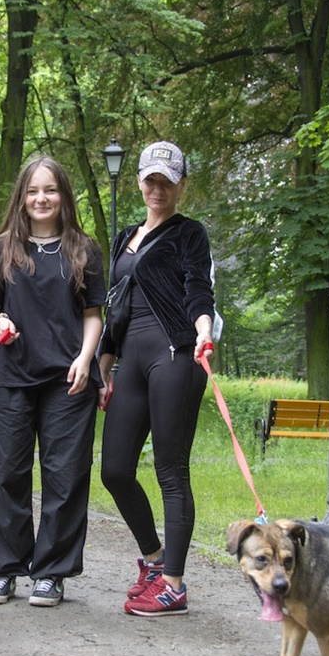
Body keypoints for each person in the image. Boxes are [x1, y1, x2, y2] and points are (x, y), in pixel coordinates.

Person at [0, 157, 106, 607]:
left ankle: (51, 571)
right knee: (9, 472)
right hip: (11, 375)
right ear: (22, 197)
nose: (41, 199)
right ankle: (6, 568)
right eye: (33, 191)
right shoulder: (1, 248)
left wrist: (87, 360)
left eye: (50, 190)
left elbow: (94, 314)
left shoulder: (83, 250)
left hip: (68, 380)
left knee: (65, 476)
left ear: (63, 196)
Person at [97, 141, 216, 617]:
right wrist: (103, 368)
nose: (157, 188)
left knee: (170, 468)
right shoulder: (126, 234)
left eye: (167, 181)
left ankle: (173, 584)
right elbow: (115, 307)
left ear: (180, 184)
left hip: (176, 355)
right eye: (150, 180)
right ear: (139, 182)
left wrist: (204, 330)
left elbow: (197, 288)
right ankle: (153, 558)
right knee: (115, 469)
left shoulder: (190, 233)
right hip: (130, 358)